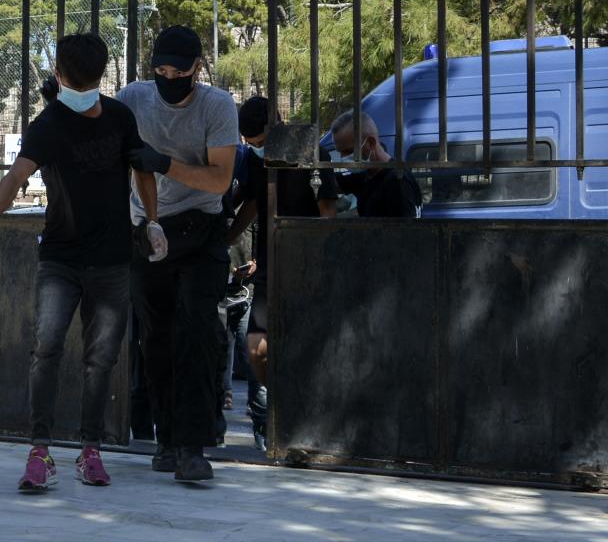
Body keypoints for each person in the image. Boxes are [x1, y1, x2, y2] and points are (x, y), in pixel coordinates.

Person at [0, 33, 163, 490]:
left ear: (59, 74)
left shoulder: (121, 118)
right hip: (61, 259)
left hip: (111, 259)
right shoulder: (49, 124)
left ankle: (91, 450)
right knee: (46, 347)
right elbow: (16, 176)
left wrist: (153, 220)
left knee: (100, 359)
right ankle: (40, 450)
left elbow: (142, 166)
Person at [118, 25, 239, 482]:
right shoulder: (134, 96)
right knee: (157, 339)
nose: (170, 77)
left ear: (197, 68)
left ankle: (193, 446)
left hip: (201, 231)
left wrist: (164, 163)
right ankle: (166, 440)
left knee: (196, 333)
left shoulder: (217, 105)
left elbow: (219, 180)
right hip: (147, 232)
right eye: (161, 70)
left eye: (179, 71)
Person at [228, 97, 339, 448]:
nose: (257, 151)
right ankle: (282, 410)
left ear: (274, 125)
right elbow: (253, 203)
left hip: (305, 267)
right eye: (251, 146)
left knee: (306, 348)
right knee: (258, 349)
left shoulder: (312, 153)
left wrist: (320, 263)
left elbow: (327, 213)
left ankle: (305, 424)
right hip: (270, 266)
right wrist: (223, 238)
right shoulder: (257, 163)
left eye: (260, 144)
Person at [330, 110, 422, 218]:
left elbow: (405, 231)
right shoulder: (368, 174)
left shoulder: (398, 181)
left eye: (349, 151)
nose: (343, 158)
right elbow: (332, 182)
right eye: (340, 152)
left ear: (370, 143)